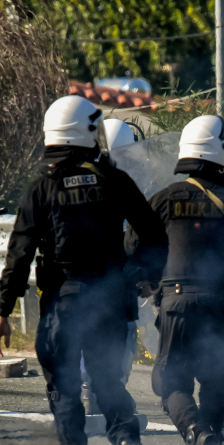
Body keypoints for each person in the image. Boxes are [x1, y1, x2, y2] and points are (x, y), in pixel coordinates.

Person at [0, 96, 168, 445]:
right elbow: (153, 232)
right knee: (108, 383)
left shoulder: (42, 188)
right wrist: (147, 275)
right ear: (85, 133)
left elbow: (18, 254)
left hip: (62, 308)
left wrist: (3, 311)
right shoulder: (114, 180)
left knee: (65, 392)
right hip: (108, 304)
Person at [80, 119, 142, 410]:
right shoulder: (120, 184)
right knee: (118, 336)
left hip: (97, 276)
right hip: (116, 276)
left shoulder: (91, 179)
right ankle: (99, 394)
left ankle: (95, 392)